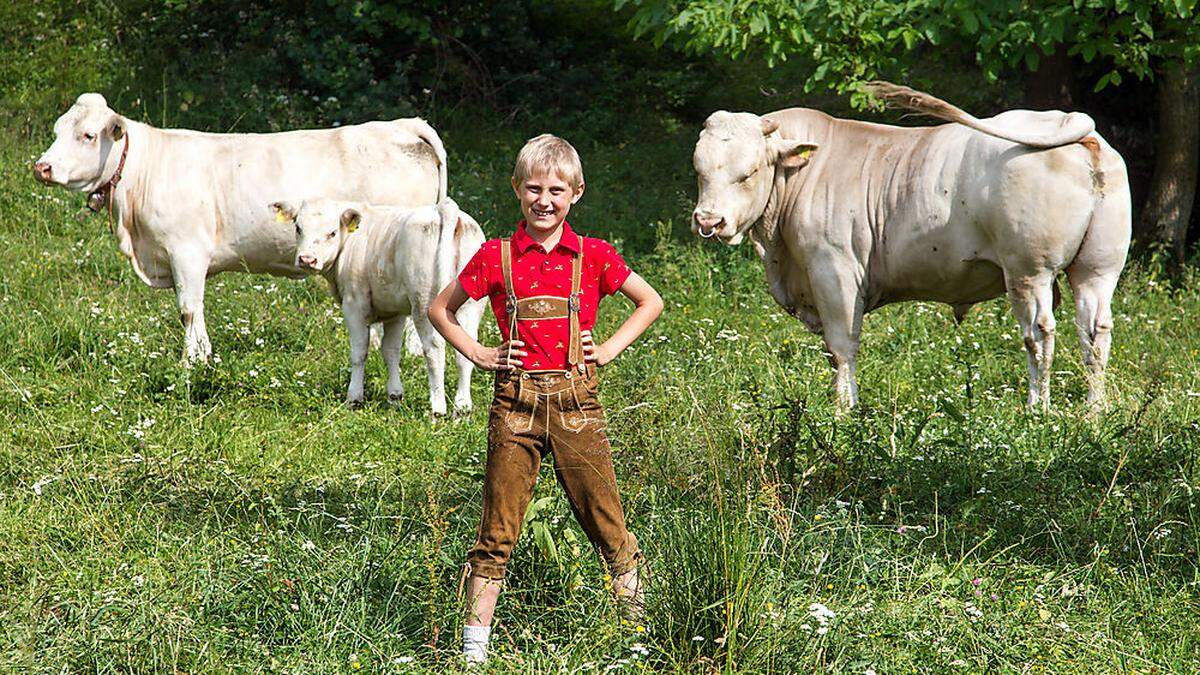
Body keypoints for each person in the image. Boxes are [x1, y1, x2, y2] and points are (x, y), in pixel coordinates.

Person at [427, 133, 663, 664]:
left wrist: (604, 349)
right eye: (533, 188)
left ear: (576, 193)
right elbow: (440, 309)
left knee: (607, 519)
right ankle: (473, 650)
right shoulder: (497, 255)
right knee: (498, 526)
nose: (544, 200)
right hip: (515, 406)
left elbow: (651, 302)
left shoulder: (595, 255)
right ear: (517, 190)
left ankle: (635, 639)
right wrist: (482, 354)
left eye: (556, 189)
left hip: (577, 404)